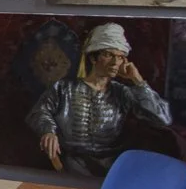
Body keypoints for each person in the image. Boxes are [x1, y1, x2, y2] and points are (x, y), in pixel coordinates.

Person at [27, 23, 171, 177]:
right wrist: (48, 131)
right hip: (72, 165)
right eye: (109, 55)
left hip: (112, 167)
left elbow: (162, 119)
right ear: (93, 57)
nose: (115, 63)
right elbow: (39, 112)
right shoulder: (64, 88)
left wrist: (138, 81)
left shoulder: (122, 92)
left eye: (121, 57)